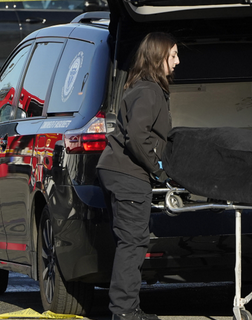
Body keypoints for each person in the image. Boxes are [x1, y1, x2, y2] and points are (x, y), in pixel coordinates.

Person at [96, 32, 179, 320]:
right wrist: (159, 172)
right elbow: (137, 137)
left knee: (129, 242)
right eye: (173, 56)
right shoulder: (149, 91)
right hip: (127, 173)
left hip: (118, 171)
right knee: (132, 244)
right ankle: (125, 312)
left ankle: (127, 309)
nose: (178, 62)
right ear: (159, 58)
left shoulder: (142, 87)